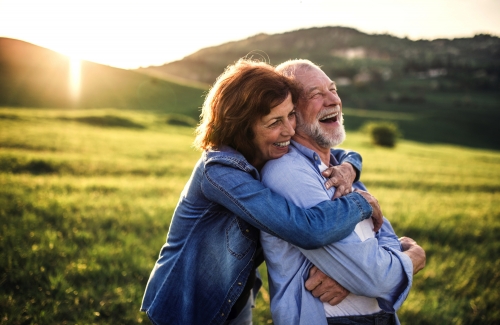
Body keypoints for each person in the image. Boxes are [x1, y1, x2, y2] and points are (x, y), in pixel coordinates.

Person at [140, 59, 384, 325]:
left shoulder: (265, 151)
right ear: (243, 128)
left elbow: (336, 153)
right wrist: (361, 203)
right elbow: (305, 229)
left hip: (236, 299)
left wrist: (350, 167)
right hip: (188, 307)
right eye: (274, 122)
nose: (290, 130)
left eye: (291, 114)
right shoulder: (220, 173)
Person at [260, 59, 426, 325]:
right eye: (315, 94)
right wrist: (414, 257)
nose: (332, 101)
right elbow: (373, 277)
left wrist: (355, 278)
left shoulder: (341, 170)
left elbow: (385, 238)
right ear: (292, 113)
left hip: (379, 316)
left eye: (333, 89)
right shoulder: (288, 173)